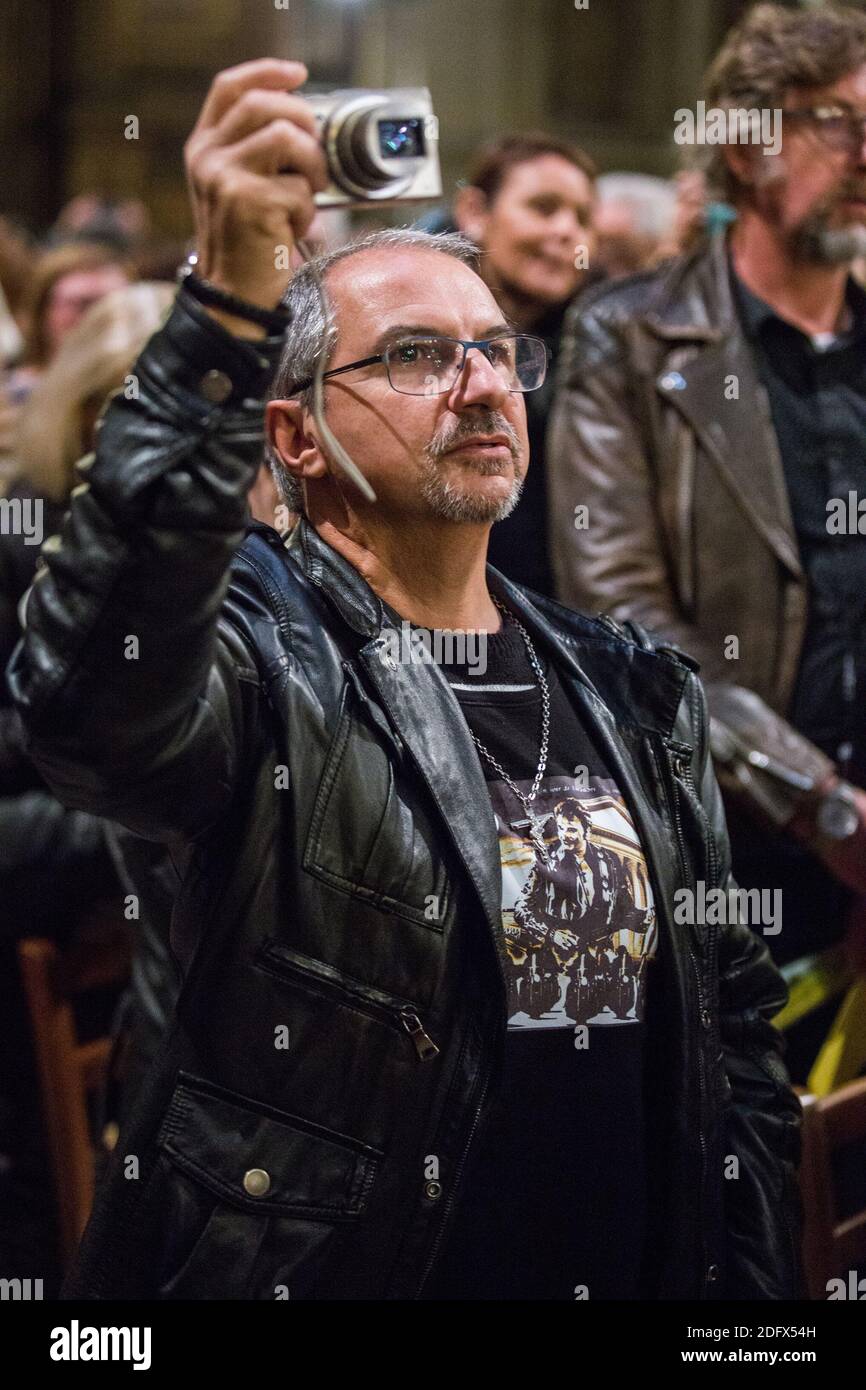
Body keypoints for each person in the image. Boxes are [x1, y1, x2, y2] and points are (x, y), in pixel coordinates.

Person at [10, 57, 801, 1302]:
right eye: (418, 357)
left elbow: (727, 1026)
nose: (483, 381)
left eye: (494, 351)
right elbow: (82, 712)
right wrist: (218, 318)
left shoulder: (630, 683)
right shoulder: (263, 663)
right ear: (296, 436)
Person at [548, 2, 866, 1081]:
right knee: (749, 1194)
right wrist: (819, 802)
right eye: (838, 125)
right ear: (746, 143)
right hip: (735, 848)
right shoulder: (629, 335)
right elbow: (625, 625)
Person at [451, 132, 598, 595]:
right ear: (475, 212)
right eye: (543, 207)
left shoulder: (610, 345)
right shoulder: (410, 328)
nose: (567, 231)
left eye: (583, 217)